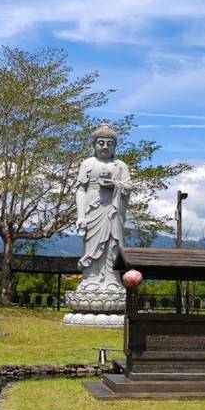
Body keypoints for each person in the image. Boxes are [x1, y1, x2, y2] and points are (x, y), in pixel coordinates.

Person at [75, 123, 131, 287]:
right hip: (92, 209)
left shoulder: (121, 165)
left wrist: (114, 185)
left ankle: (112, 279)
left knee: (113, 244)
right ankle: (90, 278)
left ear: (115, 146)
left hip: (113, 211)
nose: (105, 147)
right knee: (91, 243)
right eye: (101, 143)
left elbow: (128, 187)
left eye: (109, 143)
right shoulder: (87, 163)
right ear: (94, 144)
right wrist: (81, 216)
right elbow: (80, 189)